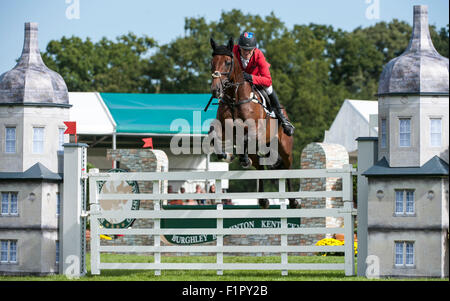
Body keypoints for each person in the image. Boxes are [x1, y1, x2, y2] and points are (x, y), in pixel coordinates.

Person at [232, 31, 294, 136]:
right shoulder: (233, 50)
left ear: (254, 49)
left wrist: (250, 77)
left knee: (269, 88)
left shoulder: (258, 55)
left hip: (256, 79)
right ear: (239, 47)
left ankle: (283, 118)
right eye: (244, 49)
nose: (246, 52)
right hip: (238, 82)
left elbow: (267, 80)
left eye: (249, 50)